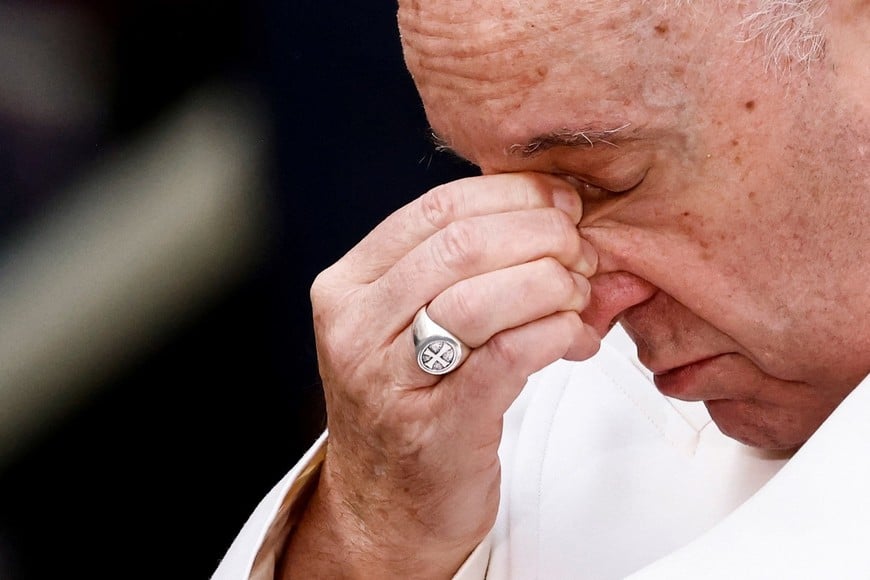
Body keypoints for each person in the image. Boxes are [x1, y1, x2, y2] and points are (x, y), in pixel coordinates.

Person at [213, 0, 869, 577]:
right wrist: (371, 532)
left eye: (606, 182)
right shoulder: (482, 418)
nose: (579, 311)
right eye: (496, 194)